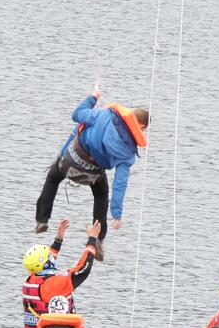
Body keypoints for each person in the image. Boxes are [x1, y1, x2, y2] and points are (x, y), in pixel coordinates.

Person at [34, 89, 149, 261]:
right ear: (141, 127)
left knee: (53, 178)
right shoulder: (128, 154)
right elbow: (120, 183)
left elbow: (77, 114)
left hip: (71, 160)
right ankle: (98, 239)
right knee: (101, 196)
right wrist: (116, 214)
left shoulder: (102, 114)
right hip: (93, 173)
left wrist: (92, 98)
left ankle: (42, 220)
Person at [21, 219, 101, 328]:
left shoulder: (33, 279)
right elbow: (82, 270)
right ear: (45, 263)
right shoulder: (52, 286)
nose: (52, 256)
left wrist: (58, 239)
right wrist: (92, 240)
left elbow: (47, 260)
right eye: (50, 257)